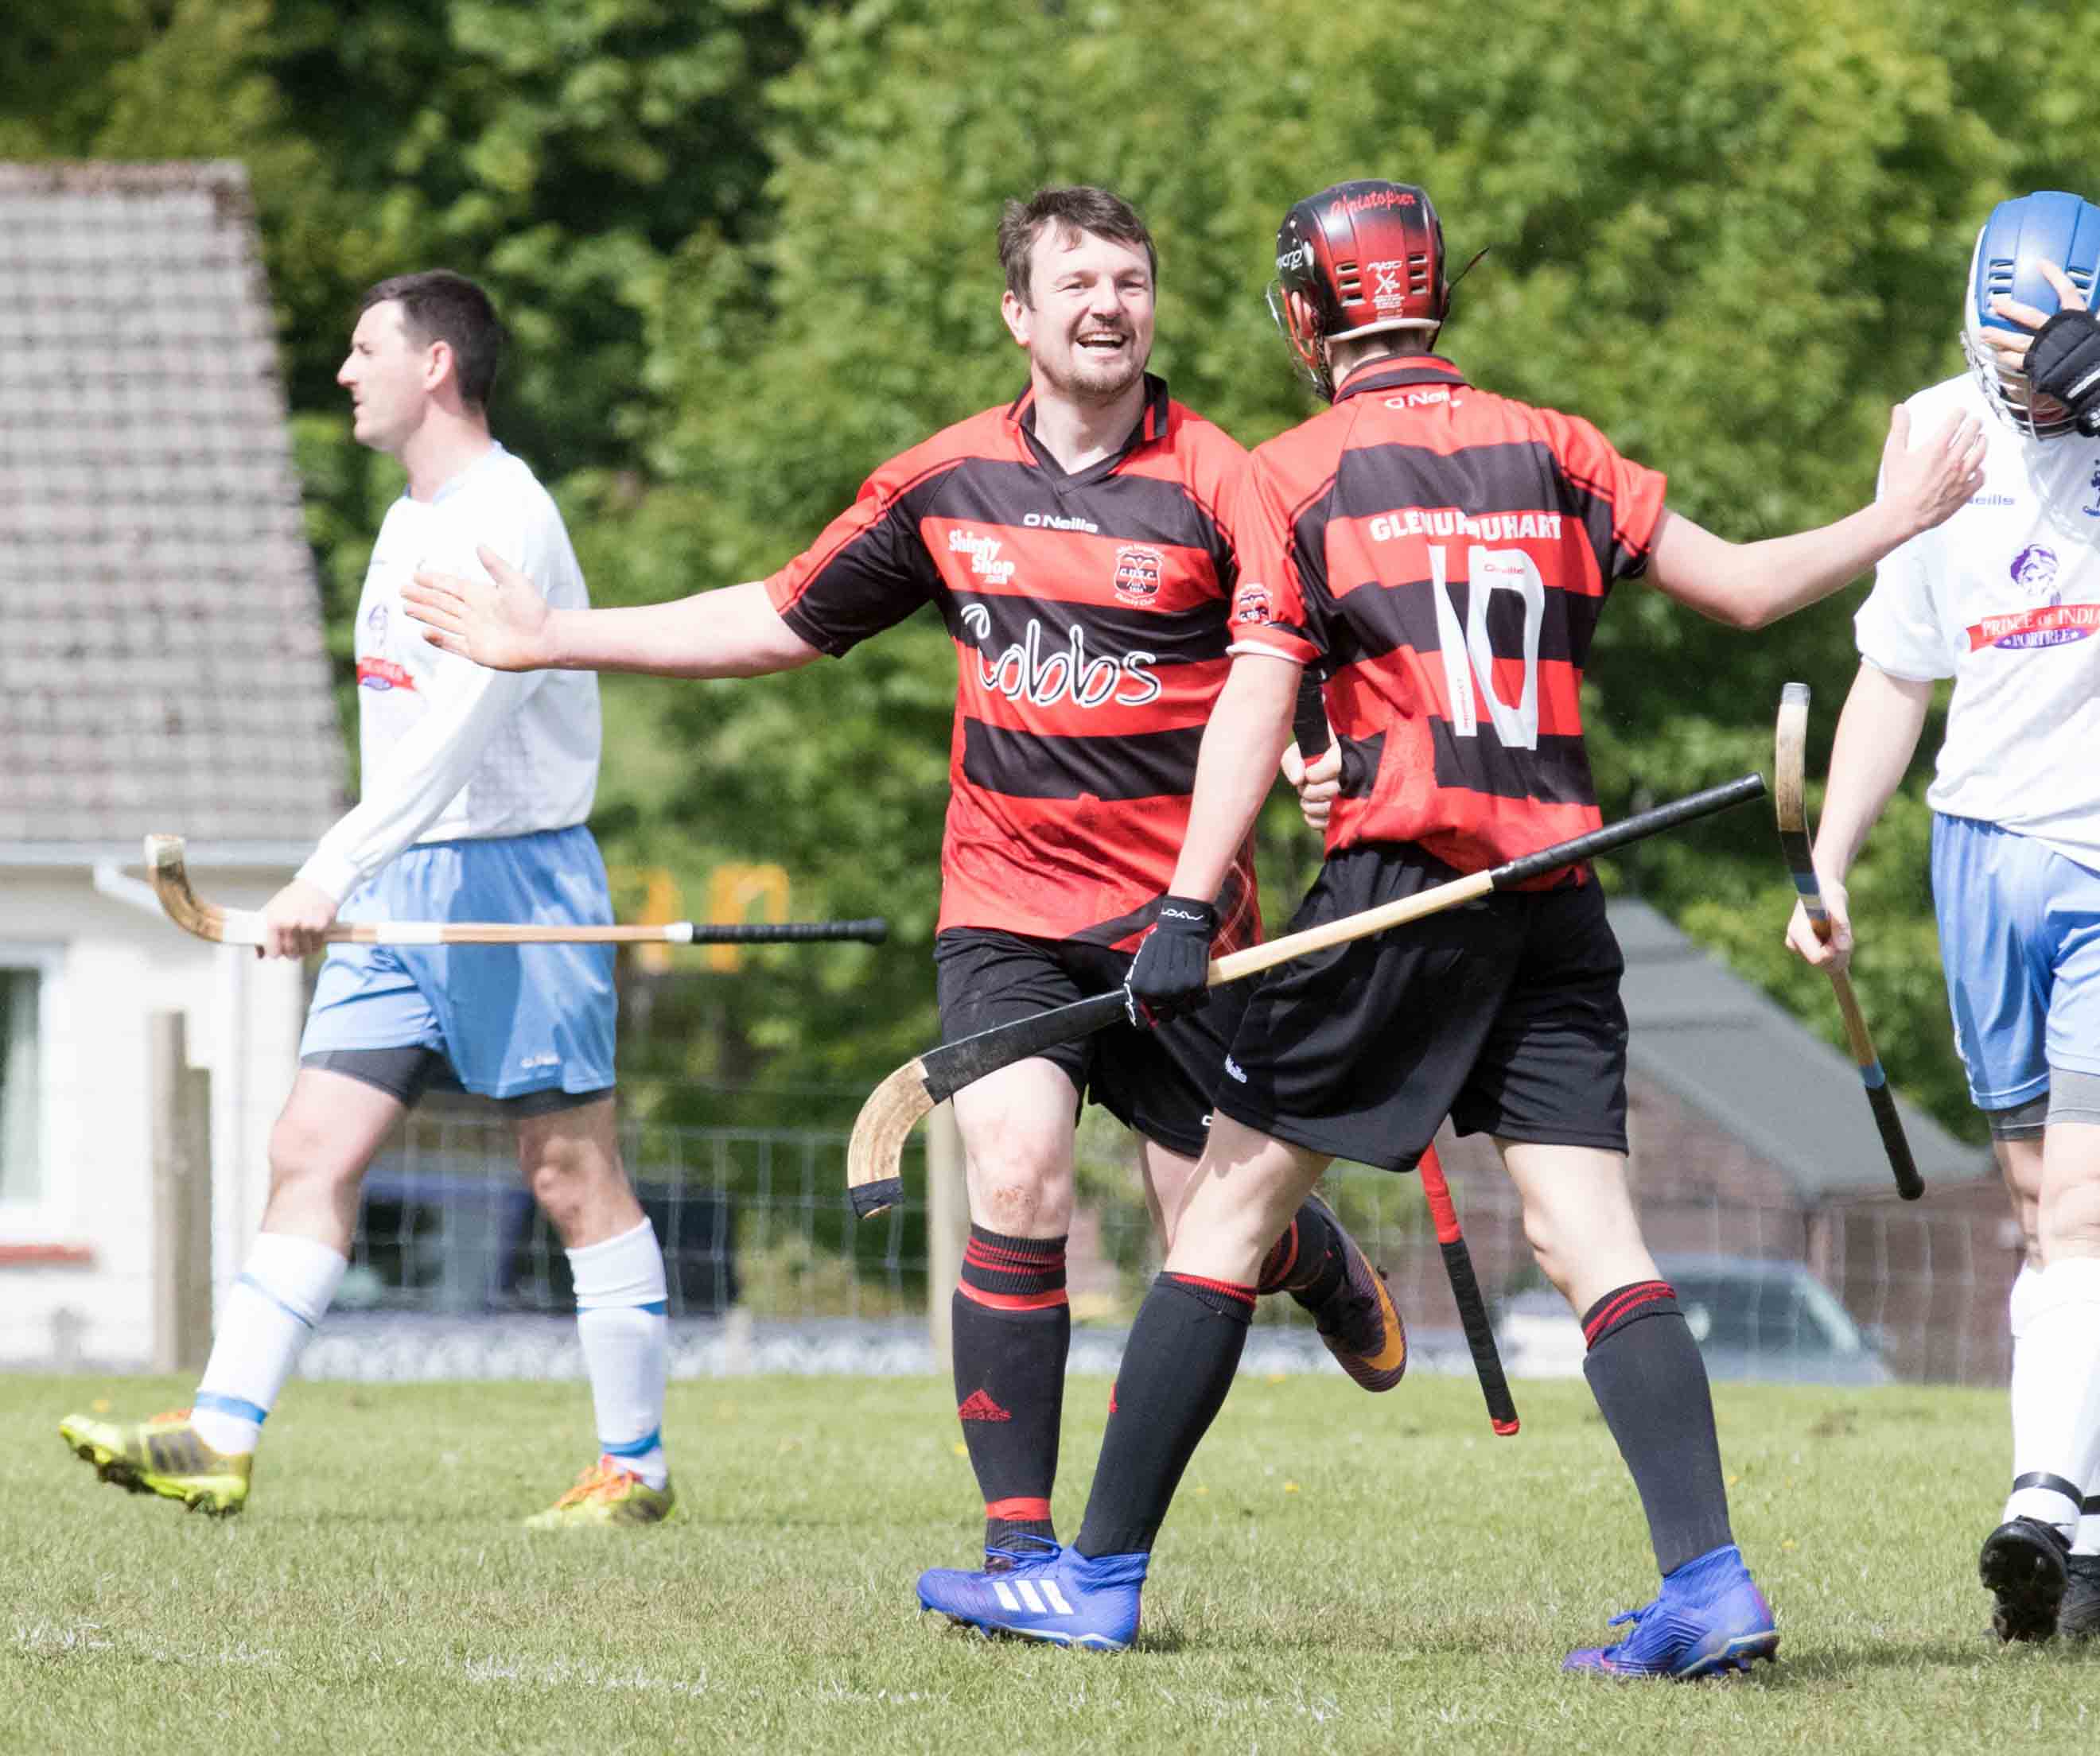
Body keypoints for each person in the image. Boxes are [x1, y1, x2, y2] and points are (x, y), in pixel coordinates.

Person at [912, 177, 1985, 1671]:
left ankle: (1093, 1578)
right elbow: (1744, 592)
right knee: (1589, 1234)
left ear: (1310, 317)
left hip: (1400, 898)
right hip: (1556, 893)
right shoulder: (1556, 446)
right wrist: (1899, 517)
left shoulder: (1288, 475)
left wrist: (1185, 900)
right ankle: (1710, 1583)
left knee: (1224, 1216)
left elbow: (1258, 692)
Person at [399, 187, 1407, 1565]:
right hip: (1005, 914)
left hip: (1181, 923)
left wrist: (1323, 755)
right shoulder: (944, 482)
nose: (1109, 306)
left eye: (1131, 281)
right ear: (1018, 316)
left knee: (1211, 1234)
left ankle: (1310, 1256)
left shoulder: (1225, 481)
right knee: (1018, 1174)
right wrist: (554, 636)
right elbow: (777, 618)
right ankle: (1019, 1549)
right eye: (1077, 284)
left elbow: (1286, 657)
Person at [60, 271, 673, 1527]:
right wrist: (358, 867)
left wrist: (327, 870)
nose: (343, 372)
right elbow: (405, 753)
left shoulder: (508, 519)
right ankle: (219, 1435)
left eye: (363, 349)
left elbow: (457, 738)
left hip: (513, 878)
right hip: (401, 878)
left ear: (435, 364)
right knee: (309, 1148)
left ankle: (637, 1468)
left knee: (569, 1172)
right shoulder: (405, 521)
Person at [1783, 191, 2100, 1642]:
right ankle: (2088, 1559)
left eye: (2051, 362)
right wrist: (1832, 860)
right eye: (2009, 363)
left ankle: (2041, 1502)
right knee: (2039, 1221)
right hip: (1985, 853)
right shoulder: (1938, 430)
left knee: (2093, 1207)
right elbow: (1897, 670)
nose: (2029, 394)